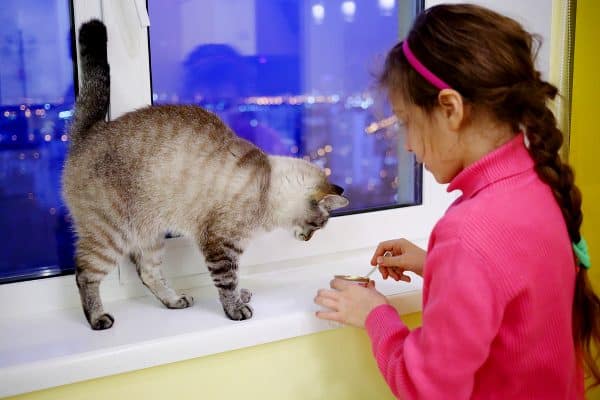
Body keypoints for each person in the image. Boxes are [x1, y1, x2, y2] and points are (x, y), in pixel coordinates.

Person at [314, 4, 599, 399]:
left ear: (450, 109)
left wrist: (373, 313)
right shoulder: (537, 184)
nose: (409, 144)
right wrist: (434, 265)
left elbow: (425, 386)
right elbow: (515, 292)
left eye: (407, 122)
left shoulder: (468, 233)